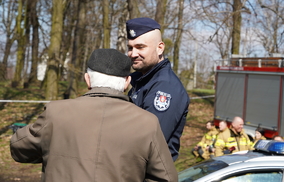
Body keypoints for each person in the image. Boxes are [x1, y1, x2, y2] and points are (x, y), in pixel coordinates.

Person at [10, 49, 178, 182]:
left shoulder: (56, 113)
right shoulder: (147, 123)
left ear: (87, 79)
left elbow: (18, 149)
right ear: (127, 82)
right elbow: (166, 177)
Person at [126, 17, 190, 161]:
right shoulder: (143, 81)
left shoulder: (165, 87)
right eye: (130, 47)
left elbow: (146, 144)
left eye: (140, 47)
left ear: (160, 48)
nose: (133, 54)